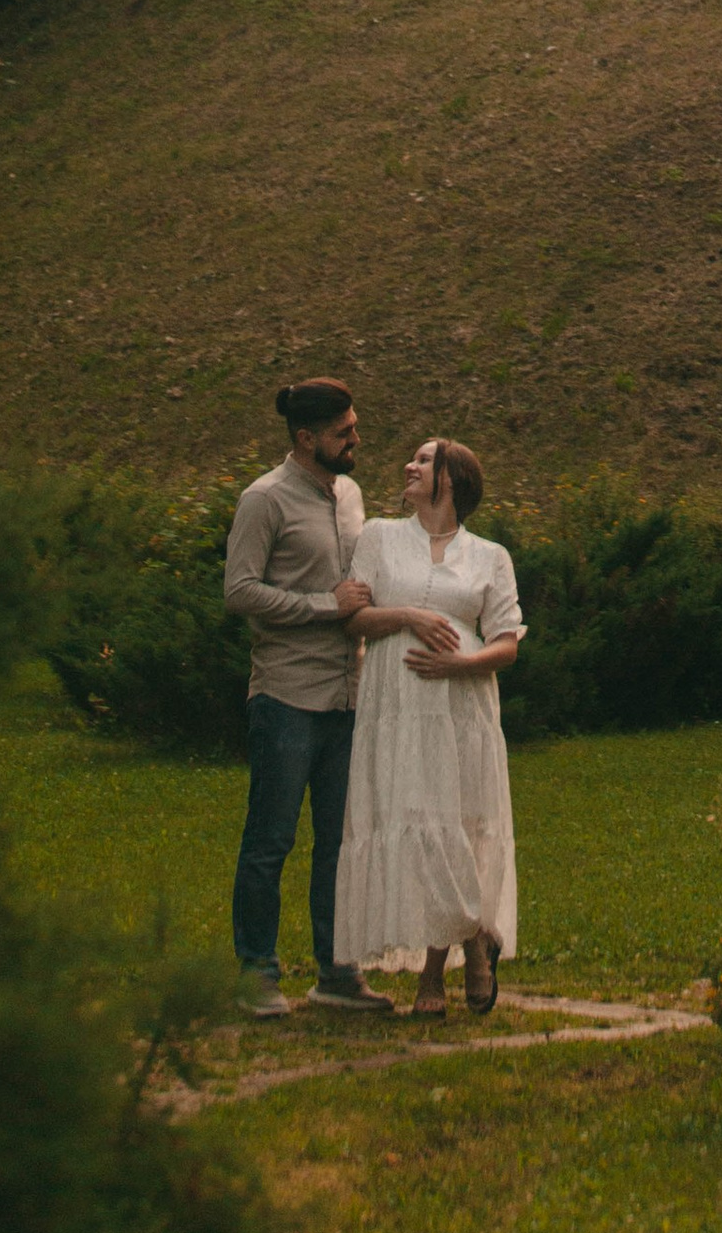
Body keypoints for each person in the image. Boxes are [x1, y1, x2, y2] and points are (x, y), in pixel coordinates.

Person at [222, 376, 395, 1019]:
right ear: (305, 439)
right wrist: (325, 606)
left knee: (341, 844)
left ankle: (337, 973)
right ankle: (256, 978)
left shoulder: (350, 494)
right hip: (287, 696)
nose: (356, 438)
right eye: (343, 432)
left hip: (349, 696)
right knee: (271, 842)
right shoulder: (263, 501)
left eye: (353, 426)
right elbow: (239, 591)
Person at [336, 438, 525, 1018]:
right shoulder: (380, 538)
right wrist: (411, 616)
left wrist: (461, 664)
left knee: (458, 827)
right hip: (395, 711)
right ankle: (474, 935)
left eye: (422, 461)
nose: (408, 467)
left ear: (449, 479)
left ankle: (433, 976)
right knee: (417, 824)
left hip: (462, 709)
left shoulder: (489, 556)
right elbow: (354, 617)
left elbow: (506, 641)